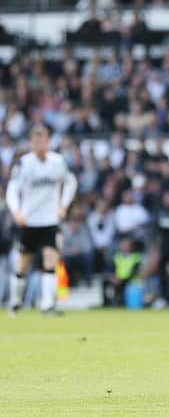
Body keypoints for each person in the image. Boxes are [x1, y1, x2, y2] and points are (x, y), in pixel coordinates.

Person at [6, 126, 77, 316]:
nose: (40, 143)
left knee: (50, 261)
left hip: (49, 221)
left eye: (43, 139)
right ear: (31, 143)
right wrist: (16, 212)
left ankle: (47, 305)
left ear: (48, 141)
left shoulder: (58, 161)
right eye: (36, 140)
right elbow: (12, 190)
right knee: (23, 264)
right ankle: (15, 301)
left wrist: (64, 205)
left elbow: (70, 182)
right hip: (29, 221)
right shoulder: (24, 164)